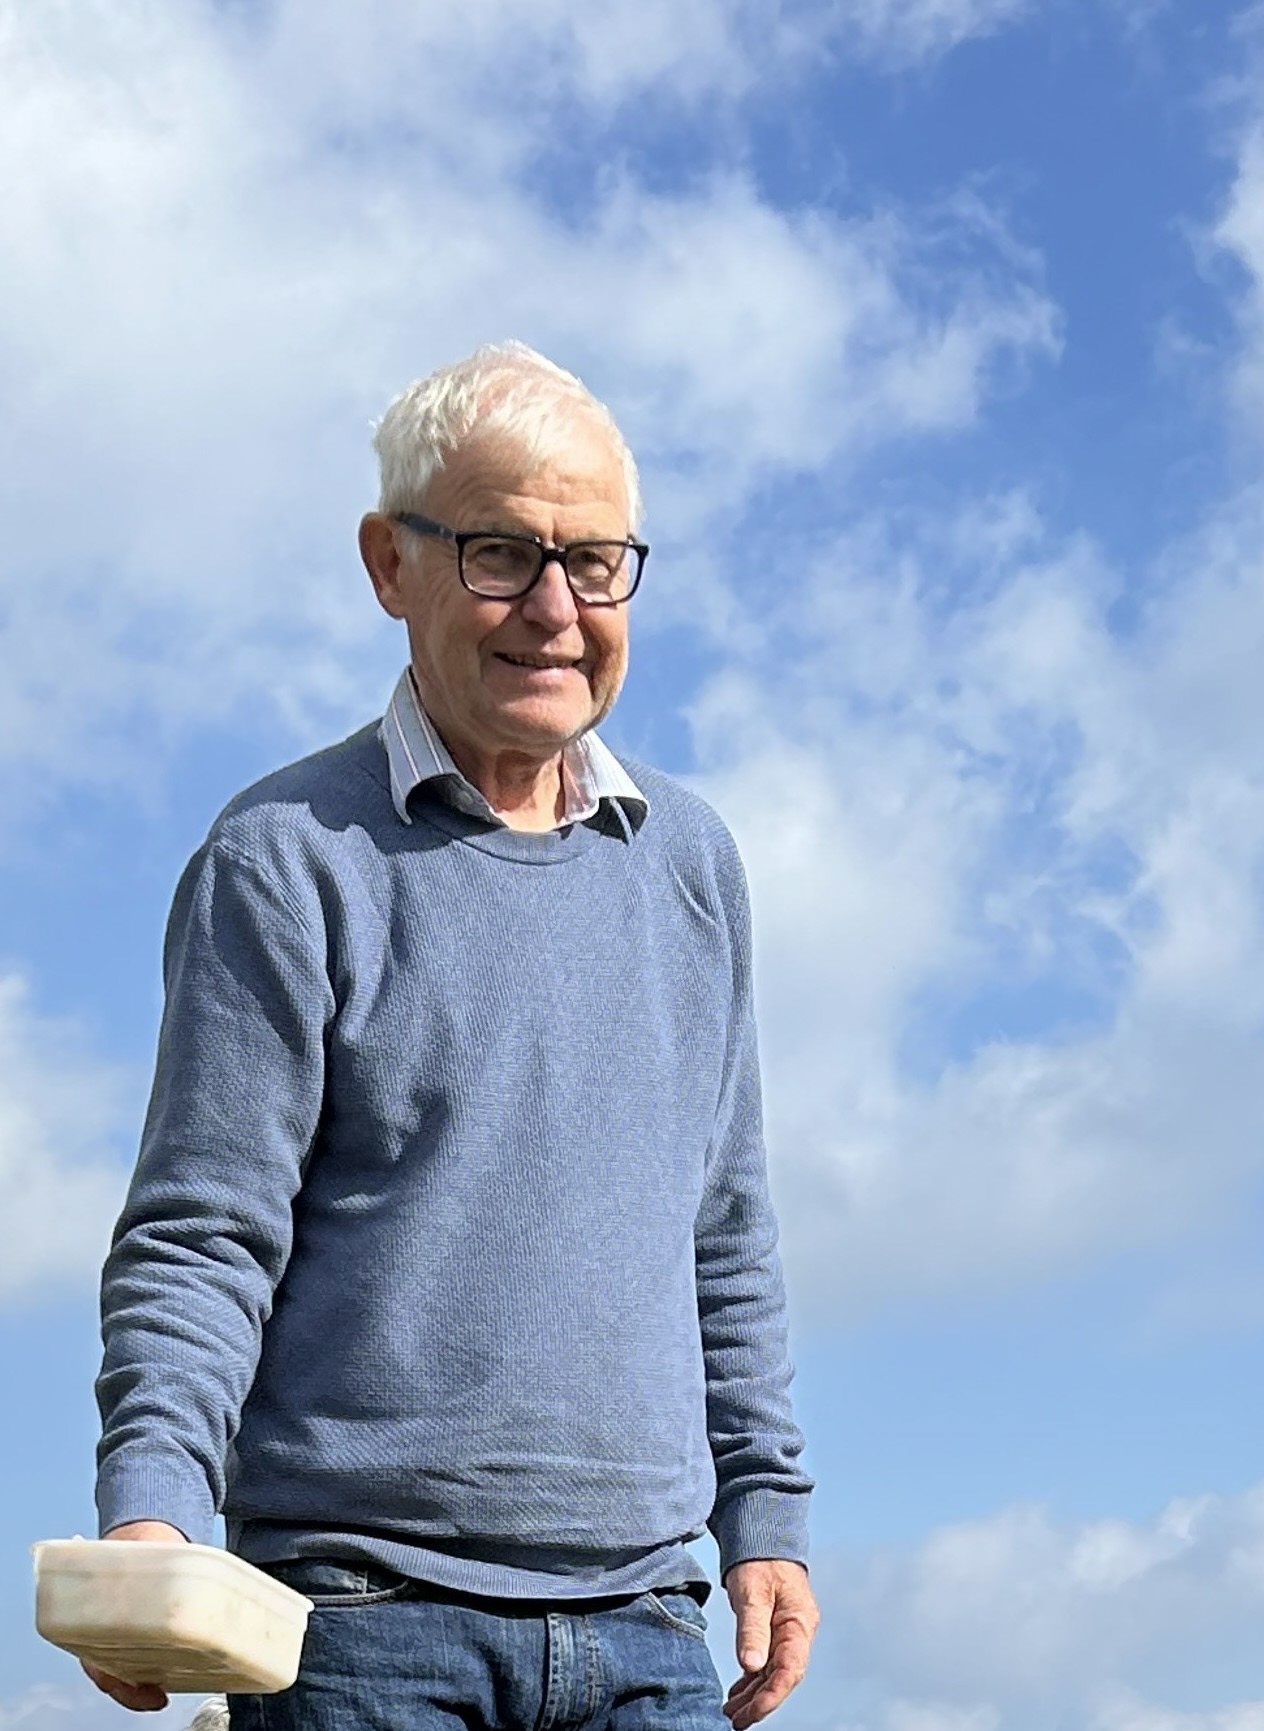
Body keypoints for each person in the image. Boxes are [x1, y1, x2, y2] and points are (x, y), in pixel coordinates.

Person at [86, 342, 818, 1731]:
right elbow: (203, 1233)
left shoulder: (694, 864)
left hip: (654, 1627)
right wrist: (154, 1511)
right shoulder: (284, 857)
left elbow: (724, 1229)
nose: (554, 608)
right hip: (358, 1624)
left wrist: (766, 1512)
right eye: (501, 554)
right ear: (390, 564)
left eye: (594, 562)